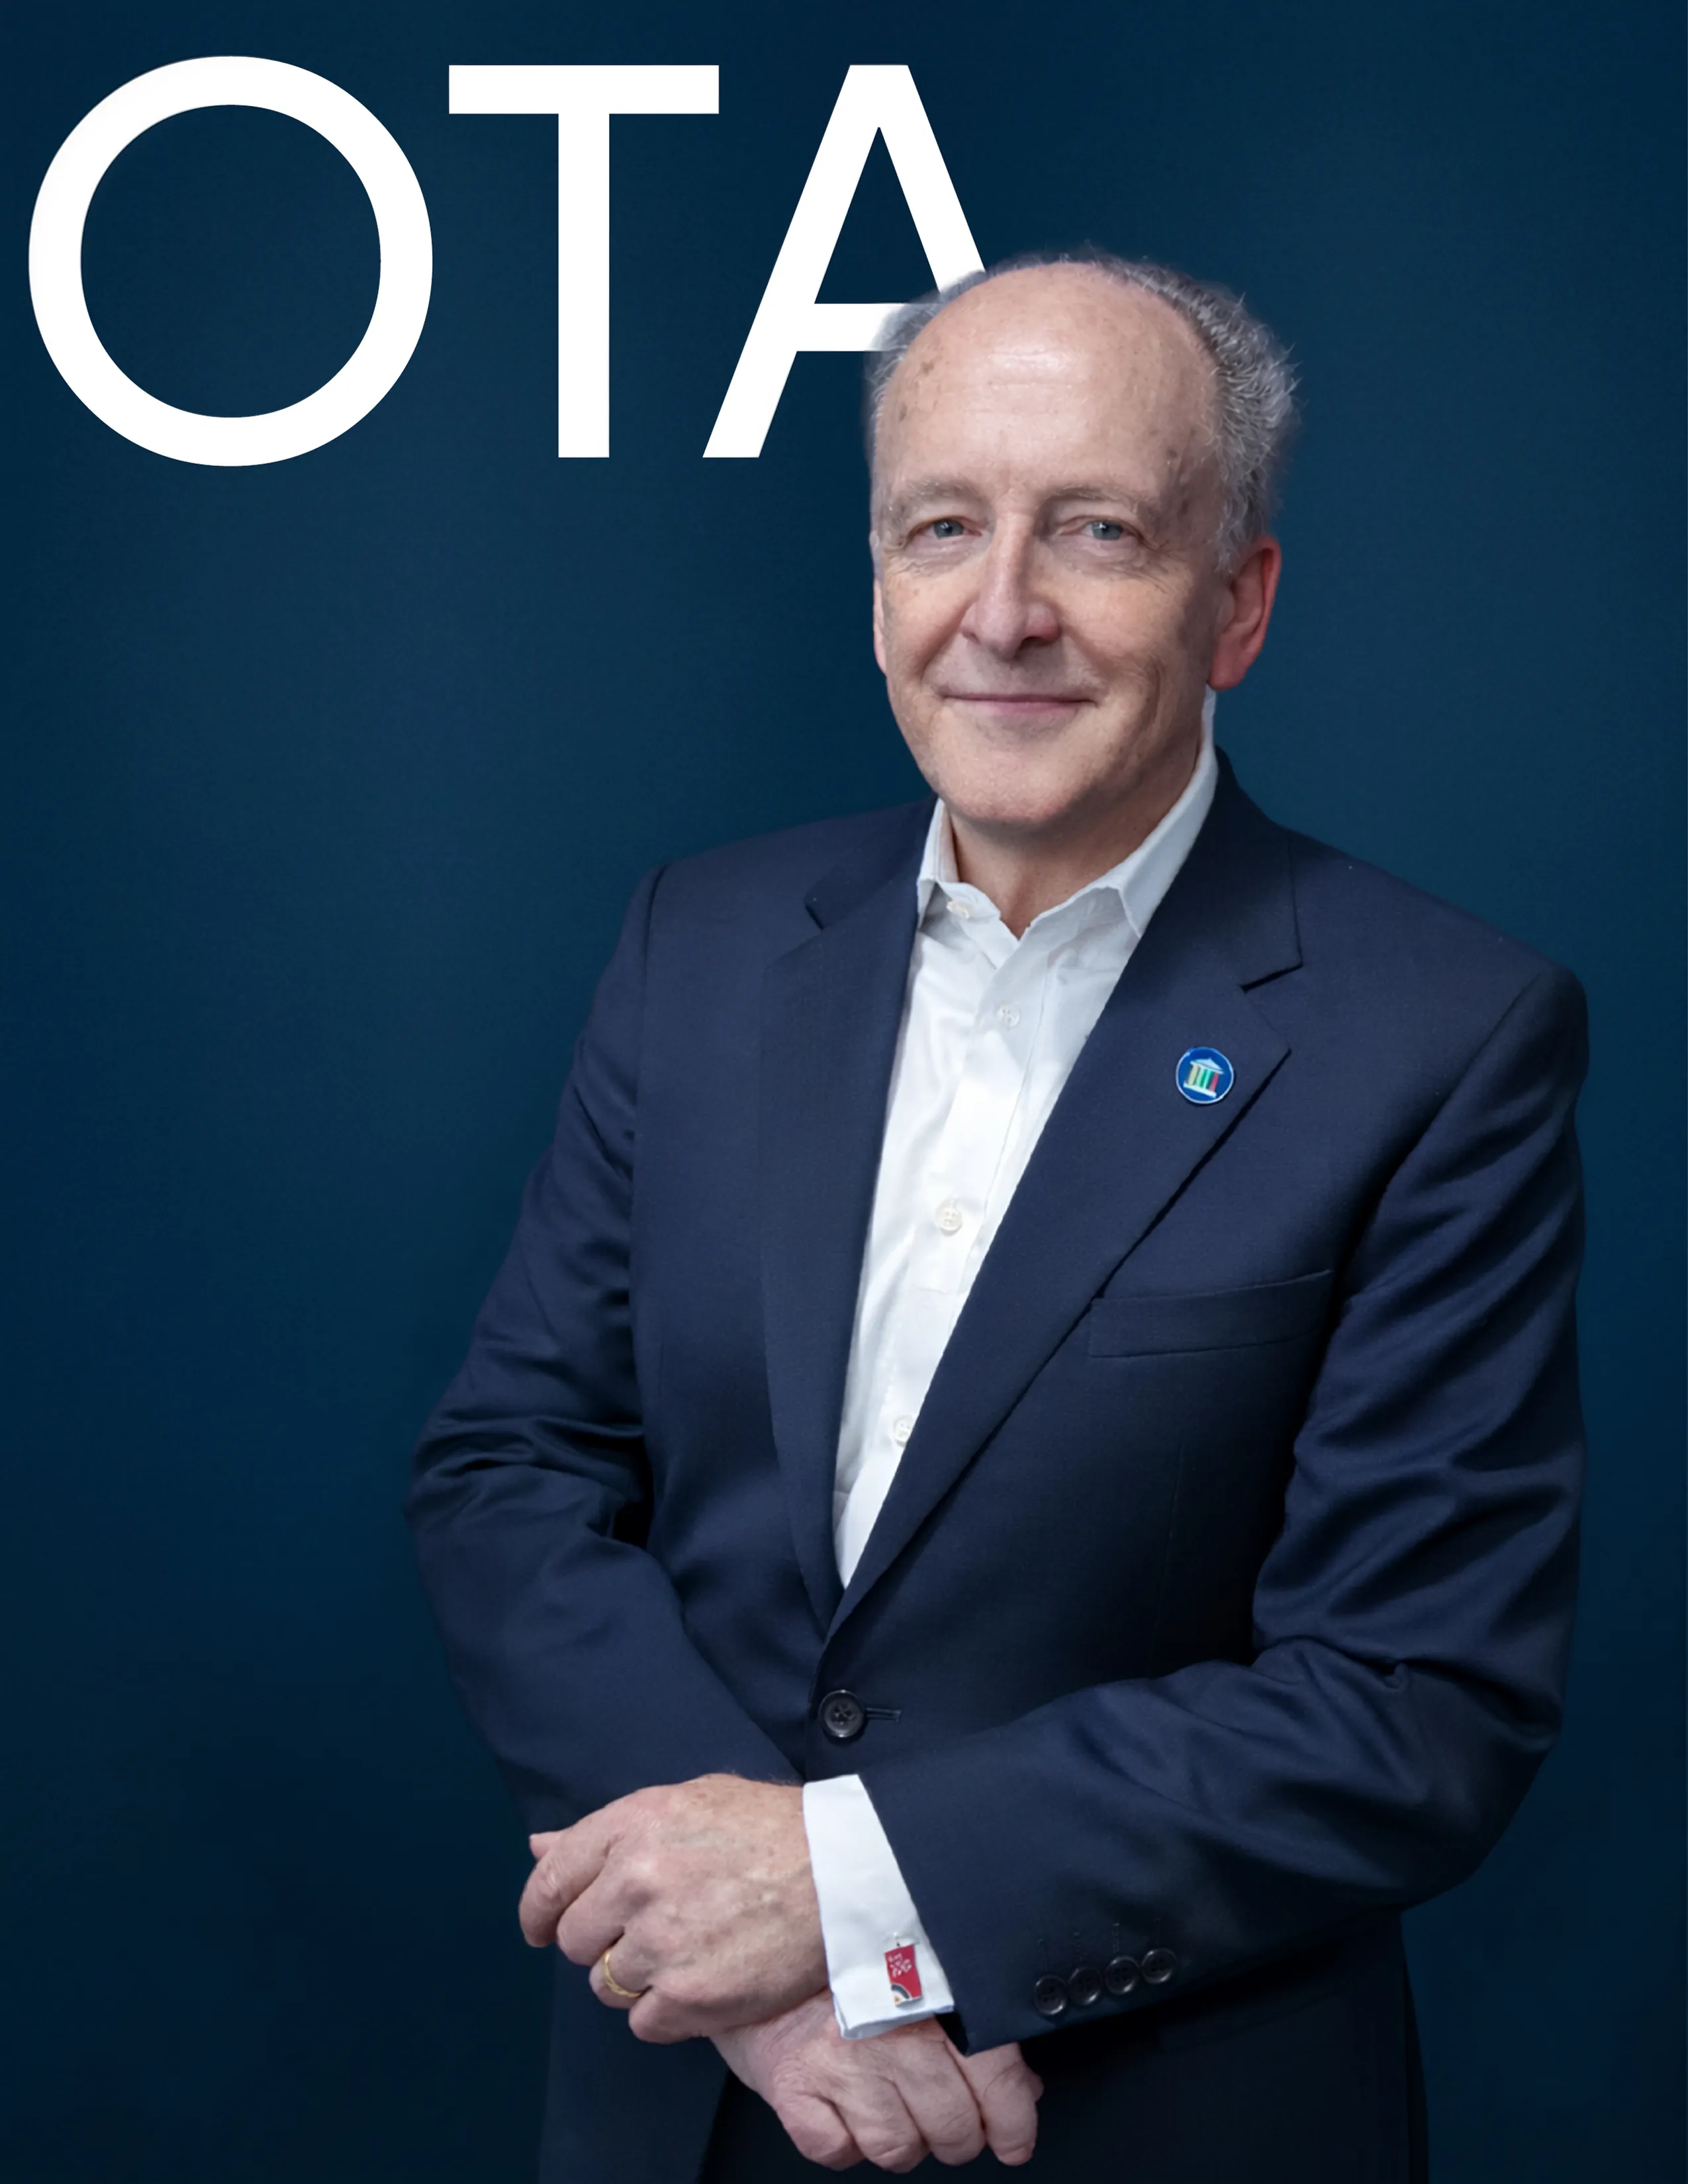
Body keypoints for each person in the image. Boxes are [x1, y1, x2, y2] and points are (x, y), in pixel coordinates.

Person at [407, 251, 1585, 2183]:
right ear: (878, 576)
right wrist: (767, 1971)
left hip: (1140, 2110)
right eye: (940, 527)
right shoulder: (695, 943)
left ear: (1237, 601)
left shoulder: (1445, 1034)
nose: (1003, 612)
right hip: (693, 2095)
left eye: (1098, 530)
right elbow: (509, 1470)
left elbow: (1408, 1701)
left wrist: (838, 1888)